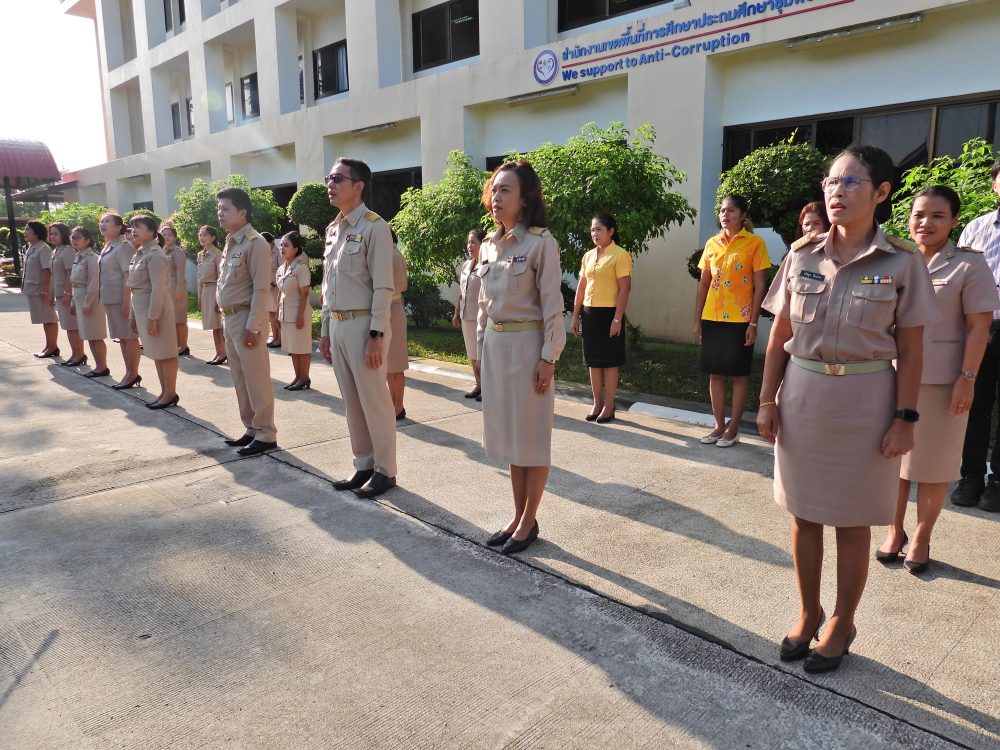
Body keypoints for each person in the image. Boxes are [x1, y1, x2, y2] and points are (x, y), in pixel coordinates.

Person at [757, 145, 938, 674]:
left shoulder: (901, 261)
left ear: (881, 192)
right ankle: (808, 610)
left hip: (866, 400)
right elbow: (780, 335)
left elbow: (913, 349)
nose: (837, 191)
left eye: (851, 181)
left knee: (853, 520)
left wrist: (905, 419)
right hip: (803, 396)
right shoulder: (802, 254)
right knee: (804, 512)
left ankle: (842, 620)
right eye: (832, 181)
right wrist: (767, 400)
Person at [878, 186, 998, 574]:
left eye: (937, 216)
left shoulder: (968, 264)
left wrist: (967, 378)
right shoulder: (896, 259)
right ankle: (894, 530)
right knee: (891, 461)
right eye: (919, 215)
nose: (925, 223)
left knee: (935, 465)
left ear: (954, 221)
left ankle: (921, 536)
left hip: (942, 382)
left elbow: (979, 327)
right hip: (891, 375)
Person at [476, 160, 566, 555]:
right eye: (494, 189)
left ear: (525, 198)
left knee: (532, 438)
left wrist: (549, 357)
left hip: (528, 348)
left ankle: (529, 521)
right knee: (512, 439)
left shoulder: (540, 243)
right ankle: (517, 517)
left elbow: (552, 307)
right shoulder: (489, 245)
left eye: (505, 190)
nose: (496, 197)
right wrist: (479, 350)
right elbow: (484, 306)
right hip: (496, 348)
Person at [319, 157, 397, 499]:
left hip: (364, 325)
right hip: (338, 325)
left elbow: (383, 286)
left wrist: (376, 334)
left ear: (359, 186)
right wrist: (324, 330)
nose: (330, 184)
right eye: (329, 178)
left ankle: (385, 470)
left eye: (338, 179)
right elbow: (328, 285)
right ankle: (364, 463)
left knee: (374, 401)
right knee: (352, 402)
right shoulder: (333, 229)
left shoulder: (374, 227)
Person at [694, 195, 771, 447]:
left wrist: (753, 323)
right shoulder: (712, 244)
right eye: (722, 211)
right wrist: (697, 320)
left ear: (742, 215)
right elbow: (704, 284)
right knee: (715, 374)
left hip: (741, 319)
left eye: (731, 210)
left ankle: (734, 427)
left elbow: (760, 286)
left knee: (738, 375)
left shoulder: (755, 243)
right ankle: (718, 425)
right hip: (712, 317)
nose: (725, 215)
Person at [951, 157, 1000, 512]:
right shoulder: (976, 228)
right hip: (981, 330)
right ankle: (970, 477)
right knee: (974, 405)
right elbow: (961, 278)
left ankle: (998, 483)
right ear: (995, 184)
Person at [216, 188, 278, 456]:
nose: (220, 213)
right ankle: (251, 428)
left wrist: (253, 326)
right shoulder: (231, 242)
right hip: (230, 318)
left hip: (246, 318)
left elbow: (261, 289)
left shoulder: (255, 243)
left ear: (242, 212)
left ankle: (266, 433)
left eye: (225, 209)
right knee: (240, 378)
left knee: (256, 378)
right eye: (219, 209)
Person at [571, 214, 632, 423]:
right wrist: (575, 315)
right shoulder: (588, 256)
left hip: (610, 314)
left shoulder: (620, 255)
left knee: (610, 362)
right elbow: (581, 288)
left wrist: (617, 319)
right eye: (592, 230)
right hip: (590, 314)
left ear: (611, 231)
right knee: (593, 362)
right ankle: (597, 403)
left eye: (599, 229)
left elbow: (624, 290)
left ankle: (609, 405)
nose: (594, 234)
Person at [127, 216, 179, 409]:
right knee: (157, 352)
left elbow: (158, 290)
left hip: (156, 310)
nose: (133, 231)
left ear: (151, 231)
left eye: (138, 227)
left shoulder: (156, 255)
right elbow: (135, 288)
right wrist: (133, 316)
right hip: (143, 309)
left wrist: (153, 318)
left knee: (165, 351)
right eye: (132, 227)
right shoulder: (140, 253)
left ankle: (170, 393)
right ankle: (164, 392)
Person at [99, 213, 142, 389]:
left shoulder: (123, 246)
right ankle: (129, 372)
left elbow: (127, 274)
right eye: (102, 221)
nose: (103, 224)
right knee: (122, 338)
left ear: (118, 227)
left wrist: (126, 302)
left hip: (120, 299)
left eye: (107, 221)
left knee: (129, 337)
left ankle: (133, 373)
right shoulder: (109, 246)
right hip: (110, 299)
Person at [68, 226, 109, 377]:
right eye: (73, 237)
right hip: (80, 297)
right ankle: (99, 366)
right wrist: (74, 302)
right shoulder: (79, 256)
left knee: (95, 335)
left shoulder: (92, 258)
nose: (74, 240)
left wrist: (87, 303)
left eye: (78, 237)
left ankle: (102, 366)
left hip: (91, 300)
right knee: (89, 335)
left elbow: (93, 283)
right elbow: (75, 282)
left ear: (87, 240)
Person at [277, 231, 313, 390]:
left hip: (299, 313)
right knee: (293, 348)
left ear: (296, 249)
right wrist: (278, 314)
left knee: (302, 347)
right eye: (281, 245)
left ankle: (304, 377)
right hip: (286, 313)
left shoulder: (301, 268)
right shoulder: (281, 268)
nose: (282, 248)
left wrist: (300, 316)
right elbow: (280, 292)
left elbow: (304, 293)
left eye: (286, 245)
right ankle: (298, 377)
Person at [452, 229, 485, 400]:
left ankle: (487, 387)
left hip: (481, 317)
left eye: (473, 242)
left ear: (482, 244)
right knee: (472, 352)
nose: (469, 246)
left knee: (482, 354)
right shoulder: (466, 265)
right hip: (466, 315)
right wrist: (456, 313)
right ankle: (478, 385)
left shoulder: (487, 265)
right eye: (468, 242)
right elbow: (461, 291)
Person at [49, 222, 86, 366]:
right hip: (59, 293)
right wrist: (52, 294)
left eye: (56, 234)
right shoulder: (55, 251)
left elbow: (70, 274)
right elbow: (54, 275)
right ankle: (75, 354)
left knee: (73, 326)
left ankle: (80, 354)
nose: (52, 236)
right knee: (67, 326)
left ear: (63, 235)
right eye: (51, 233)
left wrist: (68, 293)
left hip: (67, 294)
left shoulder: (68, 251)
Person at [22, 221, 59, 358]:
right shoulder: (32, 247)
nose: (25, 232)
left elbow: (47, 270)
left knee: (49, 318)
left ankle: (52, 347)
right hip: (34, 289)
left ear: (36, 232)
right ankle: (49, 346)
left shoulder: (43, 248)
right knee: (44, 318)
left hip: (41, 290)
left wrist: (44, 290)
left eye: (28, 229)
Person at [196, 225, 226, 365]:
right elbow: (199, 278)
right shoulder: (200, 255)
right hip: (205, 291)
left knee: (219, 326)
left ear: (213, 237)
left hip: (214, 290)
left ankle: (224, 352)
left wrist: (218, 299)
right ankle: (219, 352)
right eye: (200, 235)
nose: (202, 237)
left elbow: (221, 277)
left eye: (205, 235)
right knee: (213, 326)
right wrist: (199, 296)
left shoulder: (218, 254)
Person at [387, 237, 409, 420]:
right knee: (388, 363)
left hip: (392, 306)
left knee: (395, 362)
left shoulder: (392, 255)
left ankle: (399, 405)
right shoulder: (390, 253)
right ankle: (392, 403)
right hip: (388, 307)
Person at [161, 221, 190, 356]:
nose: (166, 237)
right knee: (171, 319)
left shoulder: (178, 252)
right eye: (163, 234)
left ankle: (183, 346)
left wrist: (179, 290)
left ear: (175, 237)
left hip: (175, 286)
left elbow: (180, 273)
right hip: (165, 288)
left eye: (169, 234)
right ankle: (176, 344)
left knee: (180, 319)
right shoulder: (161, 251)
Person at [262, 231, 282, 349]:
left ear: (272, 241)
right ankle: (274, 337)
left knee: (276, 313)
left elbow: (282, 270)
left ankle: (280, 339)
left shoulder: (278, 252)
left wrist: (274, 283)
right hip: (266, 286)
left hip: (275, 286)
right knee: (270, 313)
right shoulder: (263, 252)